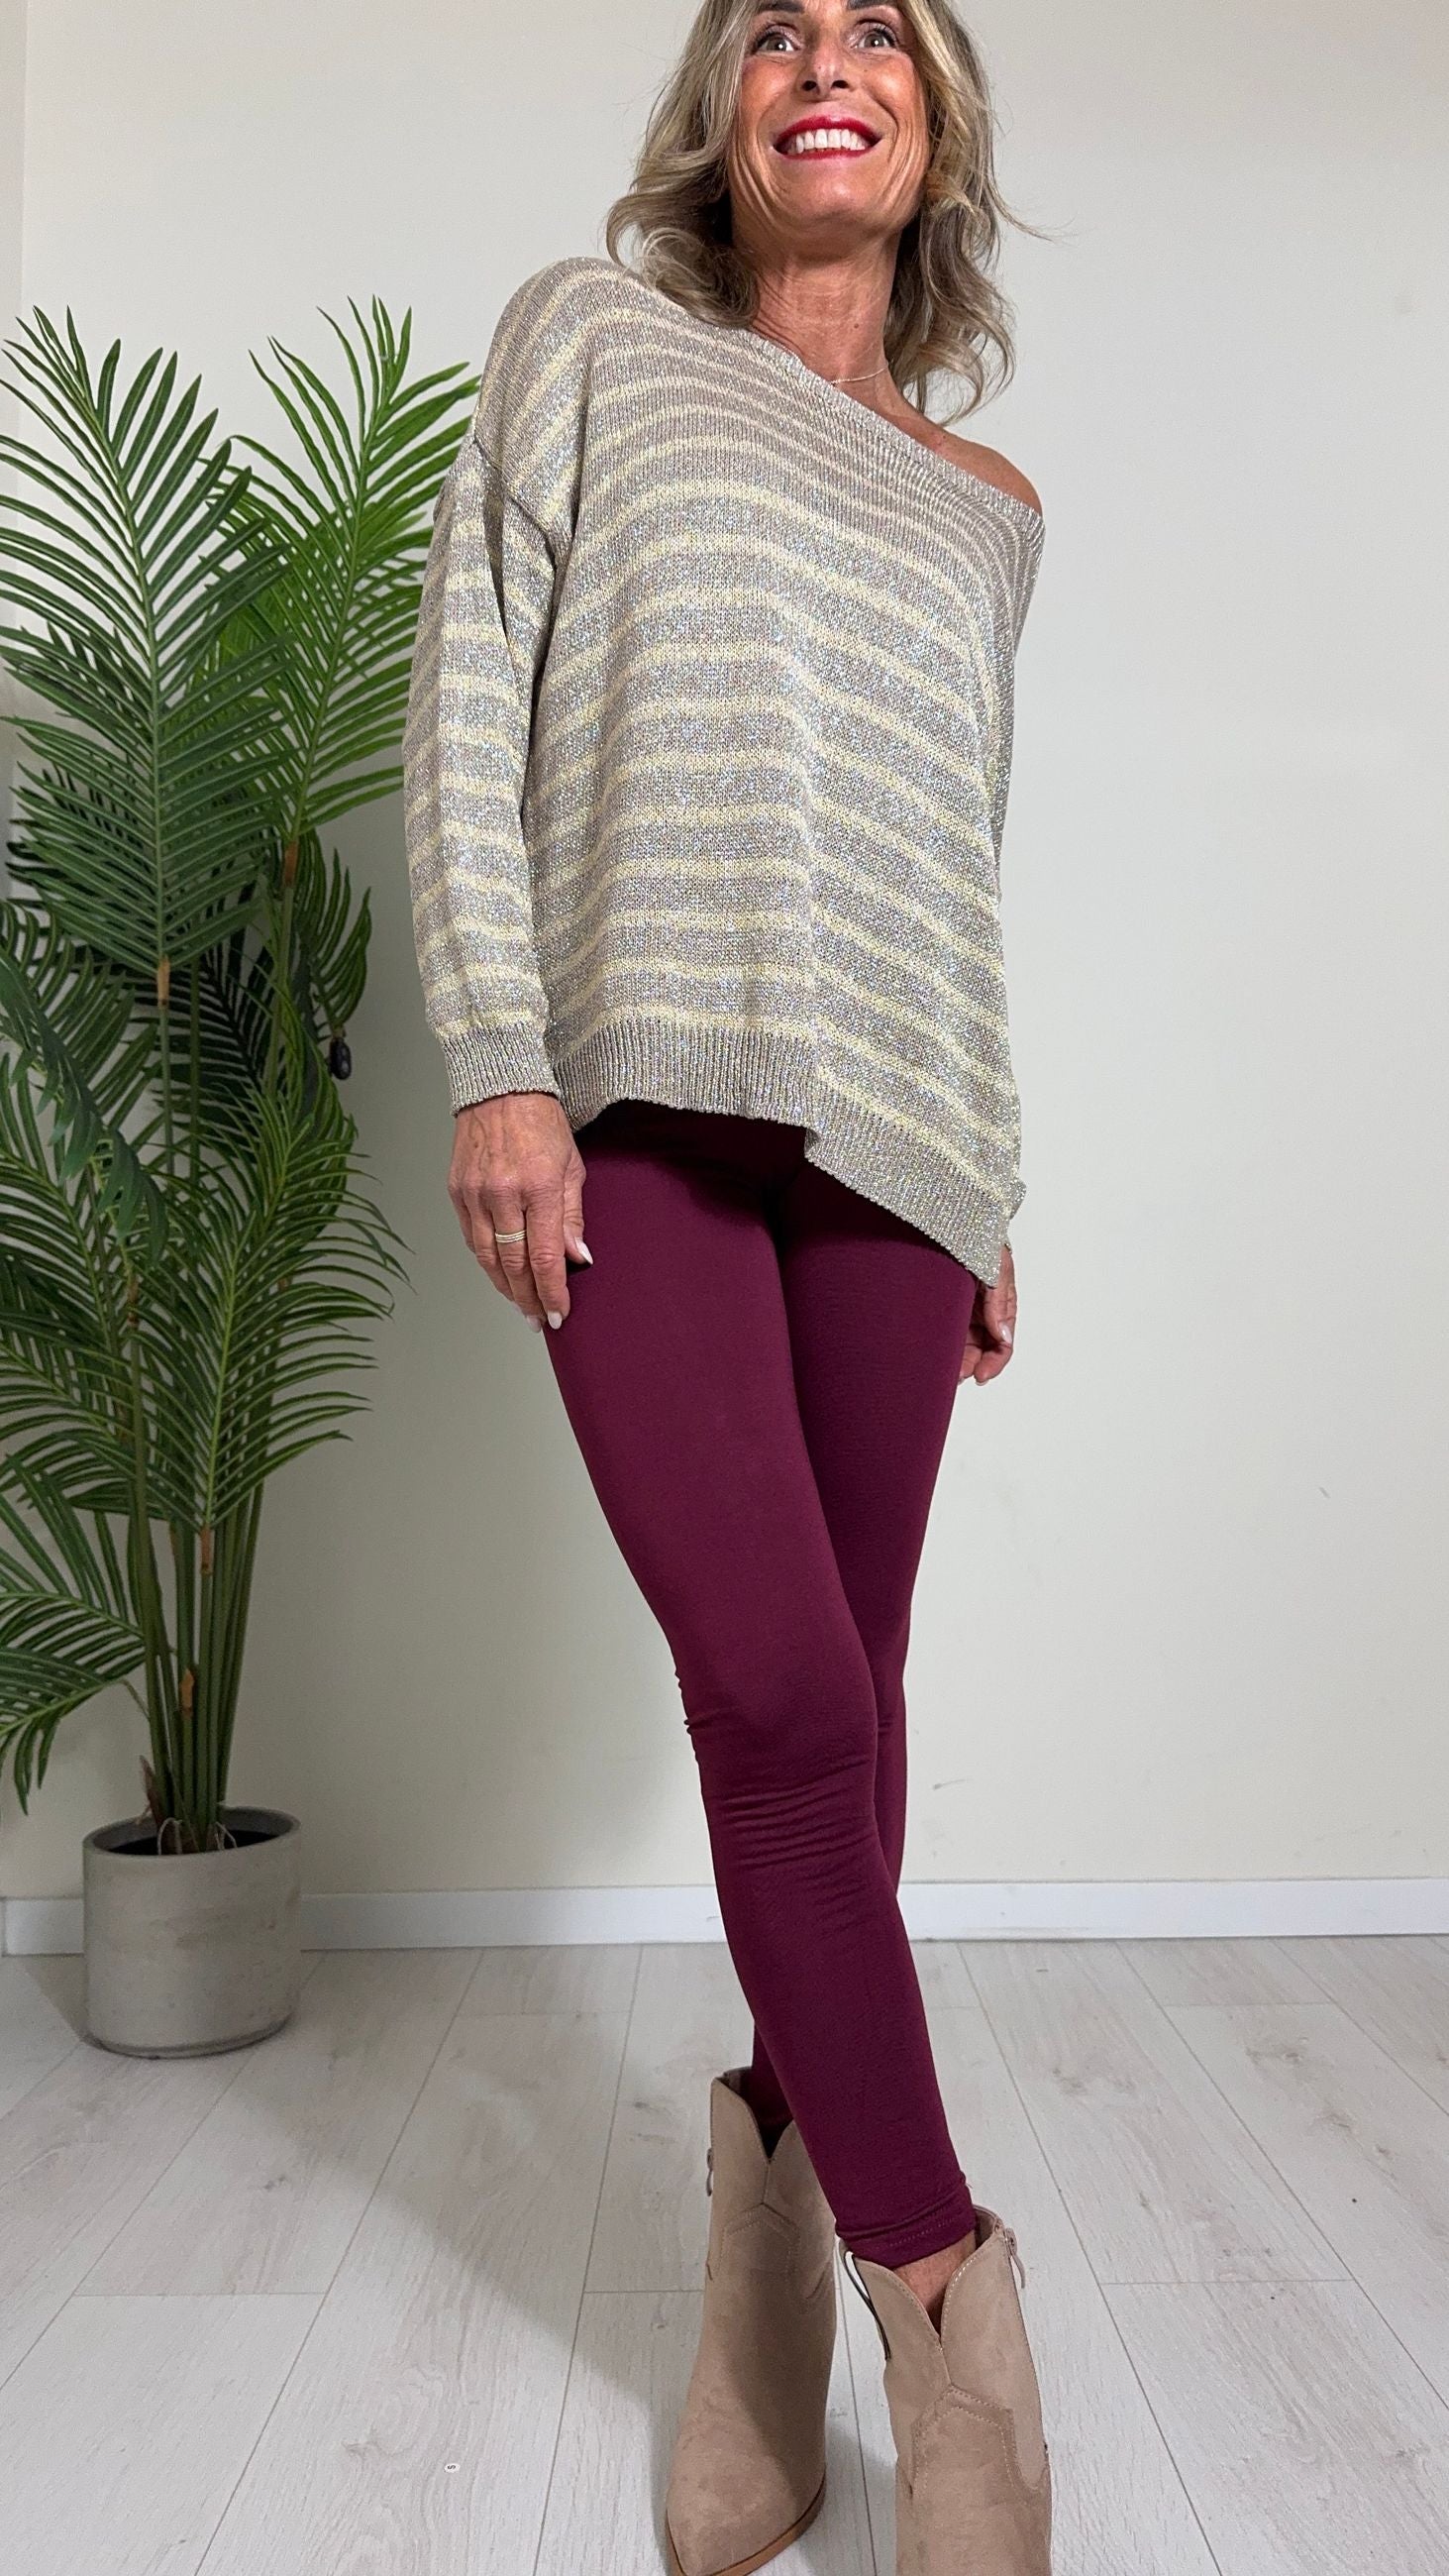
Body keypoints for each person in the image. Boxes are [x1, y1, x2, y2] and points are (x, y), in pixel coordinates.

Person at [402, 3, 1052, 2568]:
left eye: (879, 28)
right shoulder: (589, 339)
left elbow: (957, 853)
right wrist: (499, 1061)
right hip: (638, 1106)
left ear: (934, 125)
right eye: (775, 24)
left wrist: (996, 1180)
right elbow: (469, 694)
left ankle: (760, 2272)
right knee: (777, 1696)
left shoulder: (991, 504)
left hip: (904, 1147)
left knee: (852, 1710)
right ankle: (947, 2300)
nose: (825, 56)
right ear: (722, 110)